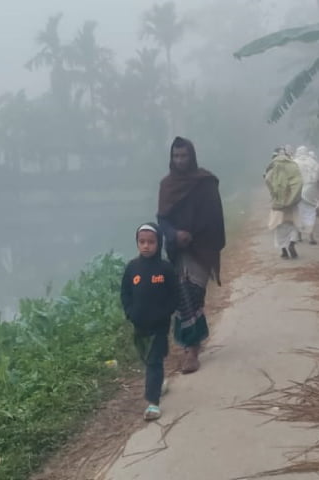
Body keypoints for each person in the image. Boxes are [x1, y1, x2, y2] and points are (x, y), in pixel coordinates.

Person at [157, 137, 226, 374]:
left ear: (192, 156)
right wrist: (175, 234)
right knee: (183, 295)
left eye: (184, 156)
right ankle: (191, 347)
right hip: (178, 251)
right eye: (175, 156)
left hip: (202, 248)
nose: (180, 160)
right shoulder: (167, 185)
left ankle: (192, 347)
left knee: (195, 293)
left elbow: (215, 217)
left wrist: (194, 235)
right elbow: (162, 219)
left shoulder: (205, 182)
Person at [120, 223, 179, 421]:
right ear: (137, 243)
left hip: (159, 325)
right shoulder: (132, 268)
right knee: (147, 358)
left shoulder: (165, 268)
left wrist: (166, 312)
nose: (146, 246)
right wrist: (130, 312)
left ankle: (153, 403)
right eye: (142, 242)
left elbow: (175, 294)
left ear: (159, 243)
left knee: (154, 361)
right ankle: (158, 382)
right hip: (139, 325)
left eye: (151, 242)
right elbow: (125, 293)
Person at [265, 147, 303, 259]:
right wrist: (294, 196)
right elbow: (299, 181)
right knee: (293, 225)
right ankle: (291, 243)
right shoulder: (293, 165)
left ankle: (284, 251)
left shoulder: (273, 166)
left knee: (279, 226)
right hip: (292, 202)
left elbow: (267, 179)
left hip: (278, 203)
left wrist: (273, 192)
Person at [292, 146, 319, 245]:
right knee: (310, 213)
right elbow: (317, 176)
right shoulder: (313, 162)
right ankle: (311, 236)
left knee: (299, 213)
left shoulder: (294, 162)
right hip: (310, 191)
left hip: (298, 191)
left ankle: (299, 236)